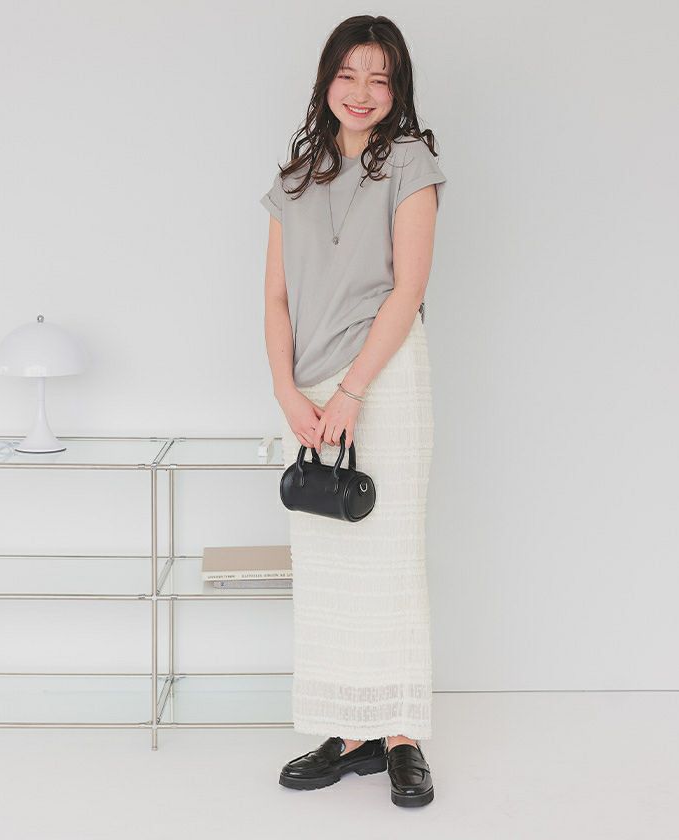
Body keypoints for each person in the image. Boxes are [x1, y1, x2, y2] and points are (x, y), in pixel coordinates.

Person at [260, 15, 446, 808]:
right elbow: (275, 297)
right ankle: (346, 730)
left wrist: (352, 388)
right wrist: (286, 390)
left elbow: (408, 288)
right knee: (327, 562)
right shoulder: (296, 177)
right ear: (326, 80)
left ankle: (400, 733)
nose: (362, 92)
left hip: (385, 376)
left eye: (380, 77)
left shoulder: (411, 163)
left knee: (390, 555)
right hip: (307, 389)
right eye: (348, 74)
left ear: (397, 89)